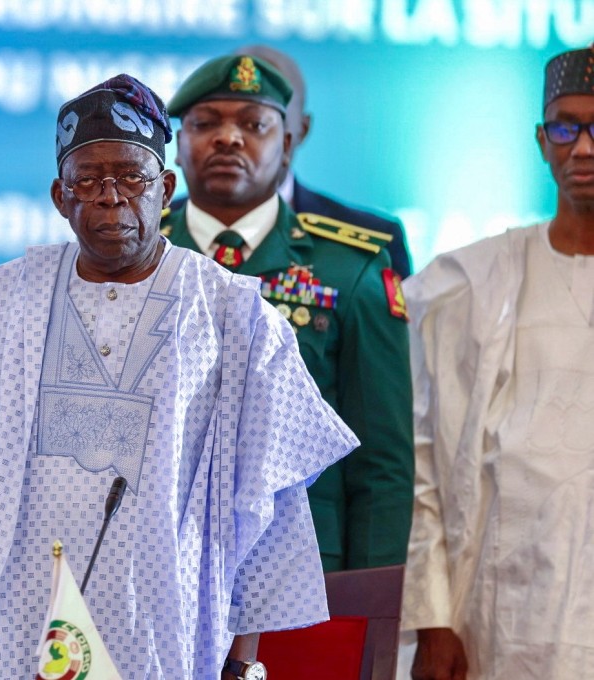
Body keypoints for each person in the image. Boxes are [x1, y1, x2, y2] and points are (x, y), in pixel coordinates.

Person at [0, 74, 358, 679]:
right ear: (61, 196)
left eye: (132, 178)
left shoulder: (232, 315)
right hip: (11, 622)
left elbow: (268, 506)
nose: (110, 196)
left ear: (164, 189)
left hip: (161, 627)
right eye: (87, 180)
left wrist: (243, 663)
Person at [161, 54, 413, 572]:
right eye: (205, 124)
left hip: (305, 571)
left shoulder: (352, 271)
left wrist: (369, 600)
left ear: (289, 144)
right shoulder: (134, 260)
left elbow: (381, 464)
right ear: (178, 145)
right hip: (154, 564)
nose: (228, 139)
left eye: (253, 125)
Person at [401, 45, 594, 680]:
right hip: (507, 617)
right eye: (566, 126)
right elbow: (425, 458)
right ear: (543, 141)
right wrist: (432, 619)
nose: (583, 148)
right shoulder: (474, 282)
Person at [236, 44, 413, 278]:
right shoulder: (172, 234)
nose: (232, 137)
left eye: (258, 123)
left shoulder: (374, 242)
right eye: (211, 121)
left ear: (302, 129)